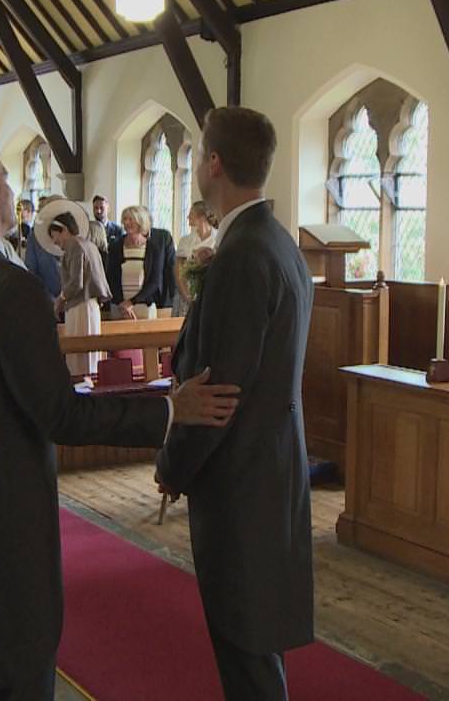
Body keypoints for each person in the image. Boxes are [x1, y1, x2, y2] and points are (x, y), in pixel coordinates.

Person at [0, 138, 240, 701]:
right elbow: (62, 414)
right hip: (6, 518)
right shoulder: (8, 287)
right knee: (20, 668)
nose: (12, 191)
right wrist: (171, 408)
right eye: (5, 180)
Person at [155, 107, 315, 700]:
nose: (198, 163)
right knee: (256, 640)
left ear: (215, 163)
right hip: (271, 463)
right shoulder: (275, 242)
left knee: (245, 647)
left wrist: (173, 465)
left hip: (241, 477)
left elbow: (217, 392)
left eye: (200, 153)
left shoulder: (244, 255)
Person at [49, 211, 111, 376]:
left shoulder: (74, 245)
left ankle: (82, 384)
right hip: (90, 305)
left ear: (64, 230)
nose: (54, 242)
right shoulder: (88, 244)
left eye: (54, 236)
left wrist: (60, 299)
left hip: (80, 305)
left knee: (80, 354)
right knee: (88, 355)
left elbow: (76, 282)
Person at [106, 205, 175, 320]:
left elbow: (155, 281)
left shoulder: (153, 248)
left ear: (140, 221)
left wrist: (132, 302)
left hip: (144, 305)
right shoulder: (116, 246)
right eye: (125, 219)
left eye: (131, 219)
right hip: (120, 306)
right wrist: (122, 303)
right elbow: (111, 278)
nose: (126, 222)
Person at [173, 200, 219, 317]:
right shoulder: (185, 241)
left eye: (191, 213)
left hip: (211, 293)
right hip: (188, 294)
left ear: (202, 217)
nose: (188, 217)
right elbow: (179, 271)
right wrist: (187, 296)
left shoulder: (219, 237)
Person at [24, 199, 63, 299]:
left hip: (71, 299)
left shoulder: (71, 236)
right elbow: (31, 271)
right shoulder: (34, 238)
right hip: (46, 297)